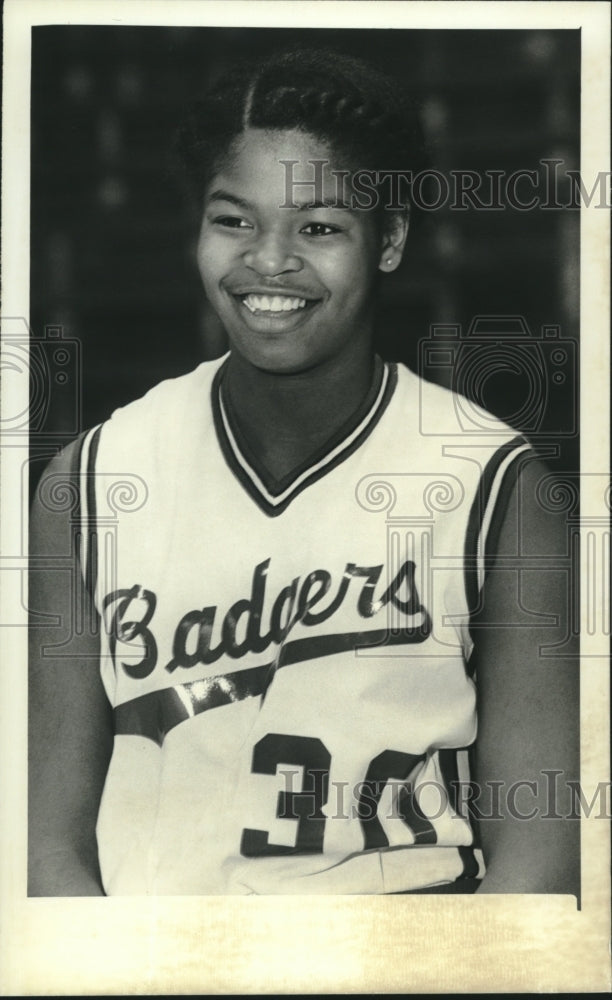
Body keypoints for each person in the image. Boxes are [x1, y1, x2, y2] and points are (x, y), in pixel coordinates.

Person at [28, 48, 579, 896]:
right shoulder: (89, 482)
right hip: (161, 971)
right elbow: (43, 848)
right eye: (233, 220)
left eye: (318, 228)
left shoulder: (498, 486)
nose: (269, 262)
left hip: (413, 963)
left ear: (389, 239)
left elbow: (540, 856)